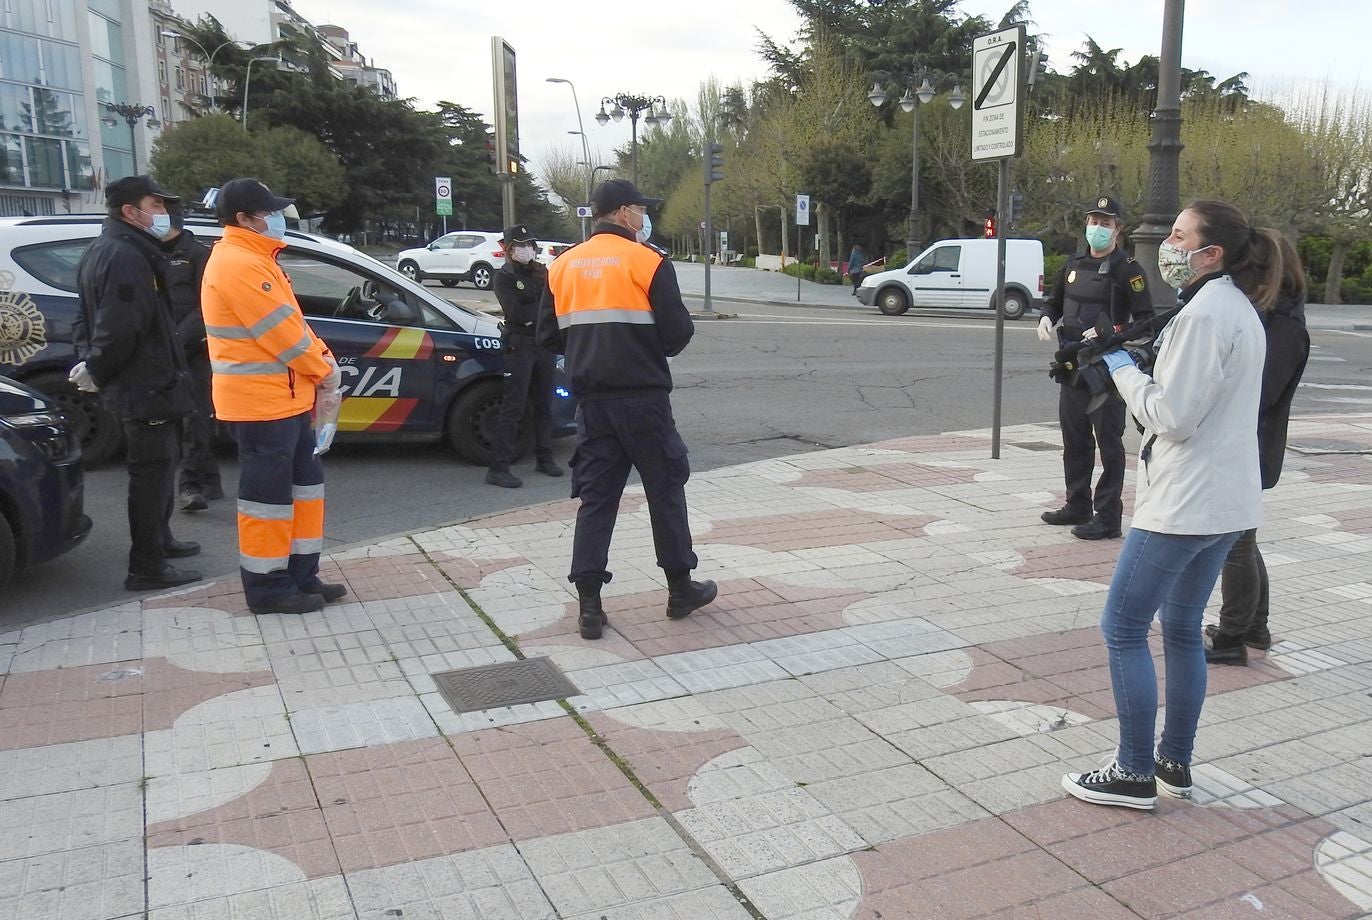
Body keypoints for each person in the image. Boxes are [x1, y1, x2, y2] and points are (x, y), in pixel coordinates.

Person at [1061, 199, 1279, 810]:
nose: (1170, 244)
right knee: (1181, 628)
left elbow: (1172, 416)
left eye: (1180, 236)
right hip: (1225, 500)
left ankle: (1132, 772)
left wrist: (1119, 367)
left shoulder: (1207, 314)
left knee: (1123, 626)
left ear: (1212, 253)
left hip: (1186, 500)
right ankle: (1171, 762)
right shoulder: (1236, 308)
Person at [537, 179, 717, 640]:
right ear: (622, 213)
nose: (643, 217)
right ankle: (680, 589)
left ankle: (590, 607)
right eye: (640, 209)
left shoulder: (562, 266)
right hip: (644, 399)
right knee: (665, 489)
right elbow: (677, 334)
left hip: (592, 404)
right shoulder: (649, 261)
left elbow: (546, 337)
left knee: (596, 500)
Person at [201, 178, 347, 616]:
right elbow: (280, 335)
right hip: (260, 405)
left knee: (304, 492)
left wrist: (323, 360)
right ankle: (268, 589)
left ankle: (302, 576)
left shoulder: (258, 258)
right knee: (267, 503)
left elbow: (294, 324)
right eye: (269, 212)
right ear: (244, 219)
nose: (279, 218)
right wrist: (324, 370)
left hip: (286, 400)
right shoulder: (238, 263)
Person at [72, 175, 201, 592]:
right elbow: (119, 325)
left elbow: (86, 319)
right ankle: (147, 566)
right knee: (150, 476)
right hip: (144, 387)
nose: (164, 213)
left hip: (151, 384)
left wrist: (91, 361)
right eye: (157, 205)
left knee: (162, 471)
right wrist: (97, 367)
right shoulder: (125, 254)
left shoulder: (113, 248)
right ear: (131, 211)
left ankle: (161, 541)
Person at [1205, 235, 1310, 665]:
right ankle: (1253, 626)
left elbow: (1261, 394)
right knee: (1242, 537)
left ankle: (1234, 634)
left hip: (1252, 446)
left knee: (1236, 541)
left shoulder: (1283, 326)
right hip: (1246, 443)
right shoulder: (1269, 317)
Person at [1038, 196, 1154, 540]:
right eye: (1093, 221)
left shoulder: (1128, 269)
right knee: (1074, 439)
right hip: (1072, 363)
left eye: (1105, 223)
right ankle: (1077, 503)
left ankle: (1107, 516)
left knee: (1108, 442)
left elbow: (1146, 322)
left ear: (1118, 229)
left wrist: (1113, 331)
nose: (1097, 229)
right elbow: (1054, 301)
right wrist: (1046, 316)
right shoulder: (1073, 263)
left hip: (1106, 369)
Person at [485, 224, 563, 489]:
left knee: (544, 404)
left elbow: (555, 305)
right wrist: (539, 310)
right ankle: (498, 467)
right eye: (520, 245)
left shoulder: (542, 273)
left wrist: (537, 312)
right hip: (519, 345)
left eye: (529, 244)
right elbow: (516, 313)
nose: (526, 249)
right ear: (508, 249)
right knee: (513, 406)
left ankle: (545, 457)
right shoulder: (503, 277)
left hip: (543, 344)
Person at [160, 197, 222, 513]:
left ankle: (191, 484)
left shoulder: (198, 256)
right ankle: (208, 482)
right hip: (158, 354)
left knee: (196, 421)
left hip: (192, 352)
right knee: (172, 421)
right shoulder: (147, 255)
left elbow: (206, 307)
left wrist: (175, 344)